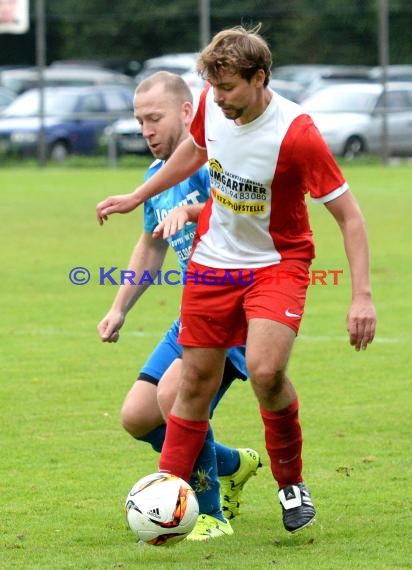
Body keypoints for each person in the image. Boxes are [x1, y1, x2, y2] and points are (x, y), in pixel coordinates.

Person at [96, 26, 377, 534]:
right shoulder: (211, 105)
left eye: (228, 89)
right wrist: (140, 195)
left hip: (278, 263)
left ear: (259, 77)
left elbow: (349, 217)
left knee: (267, 372)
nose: (218, 99)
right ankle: (171, 505)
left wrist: (362, 297)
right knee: (191, 386)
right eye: (214, 88)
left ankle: (290, 483)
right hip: (212, 264)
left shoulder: (297, 132)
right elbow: (193, 152)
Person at [97, 71, 261, 541]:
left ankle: (210, 515)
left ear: (188, 113)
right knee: (138, 416)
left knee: (175, 398)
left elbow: (246, 221)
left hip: (237, 309)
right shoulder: (155, 178)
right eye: (139, 120)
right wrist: (119, 307)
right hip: (194, 313)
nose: (145, 130)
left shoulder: (217, 165)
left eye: (154, 118)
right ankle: (232, 464)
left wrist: (193, 211)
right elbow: (150, 247)